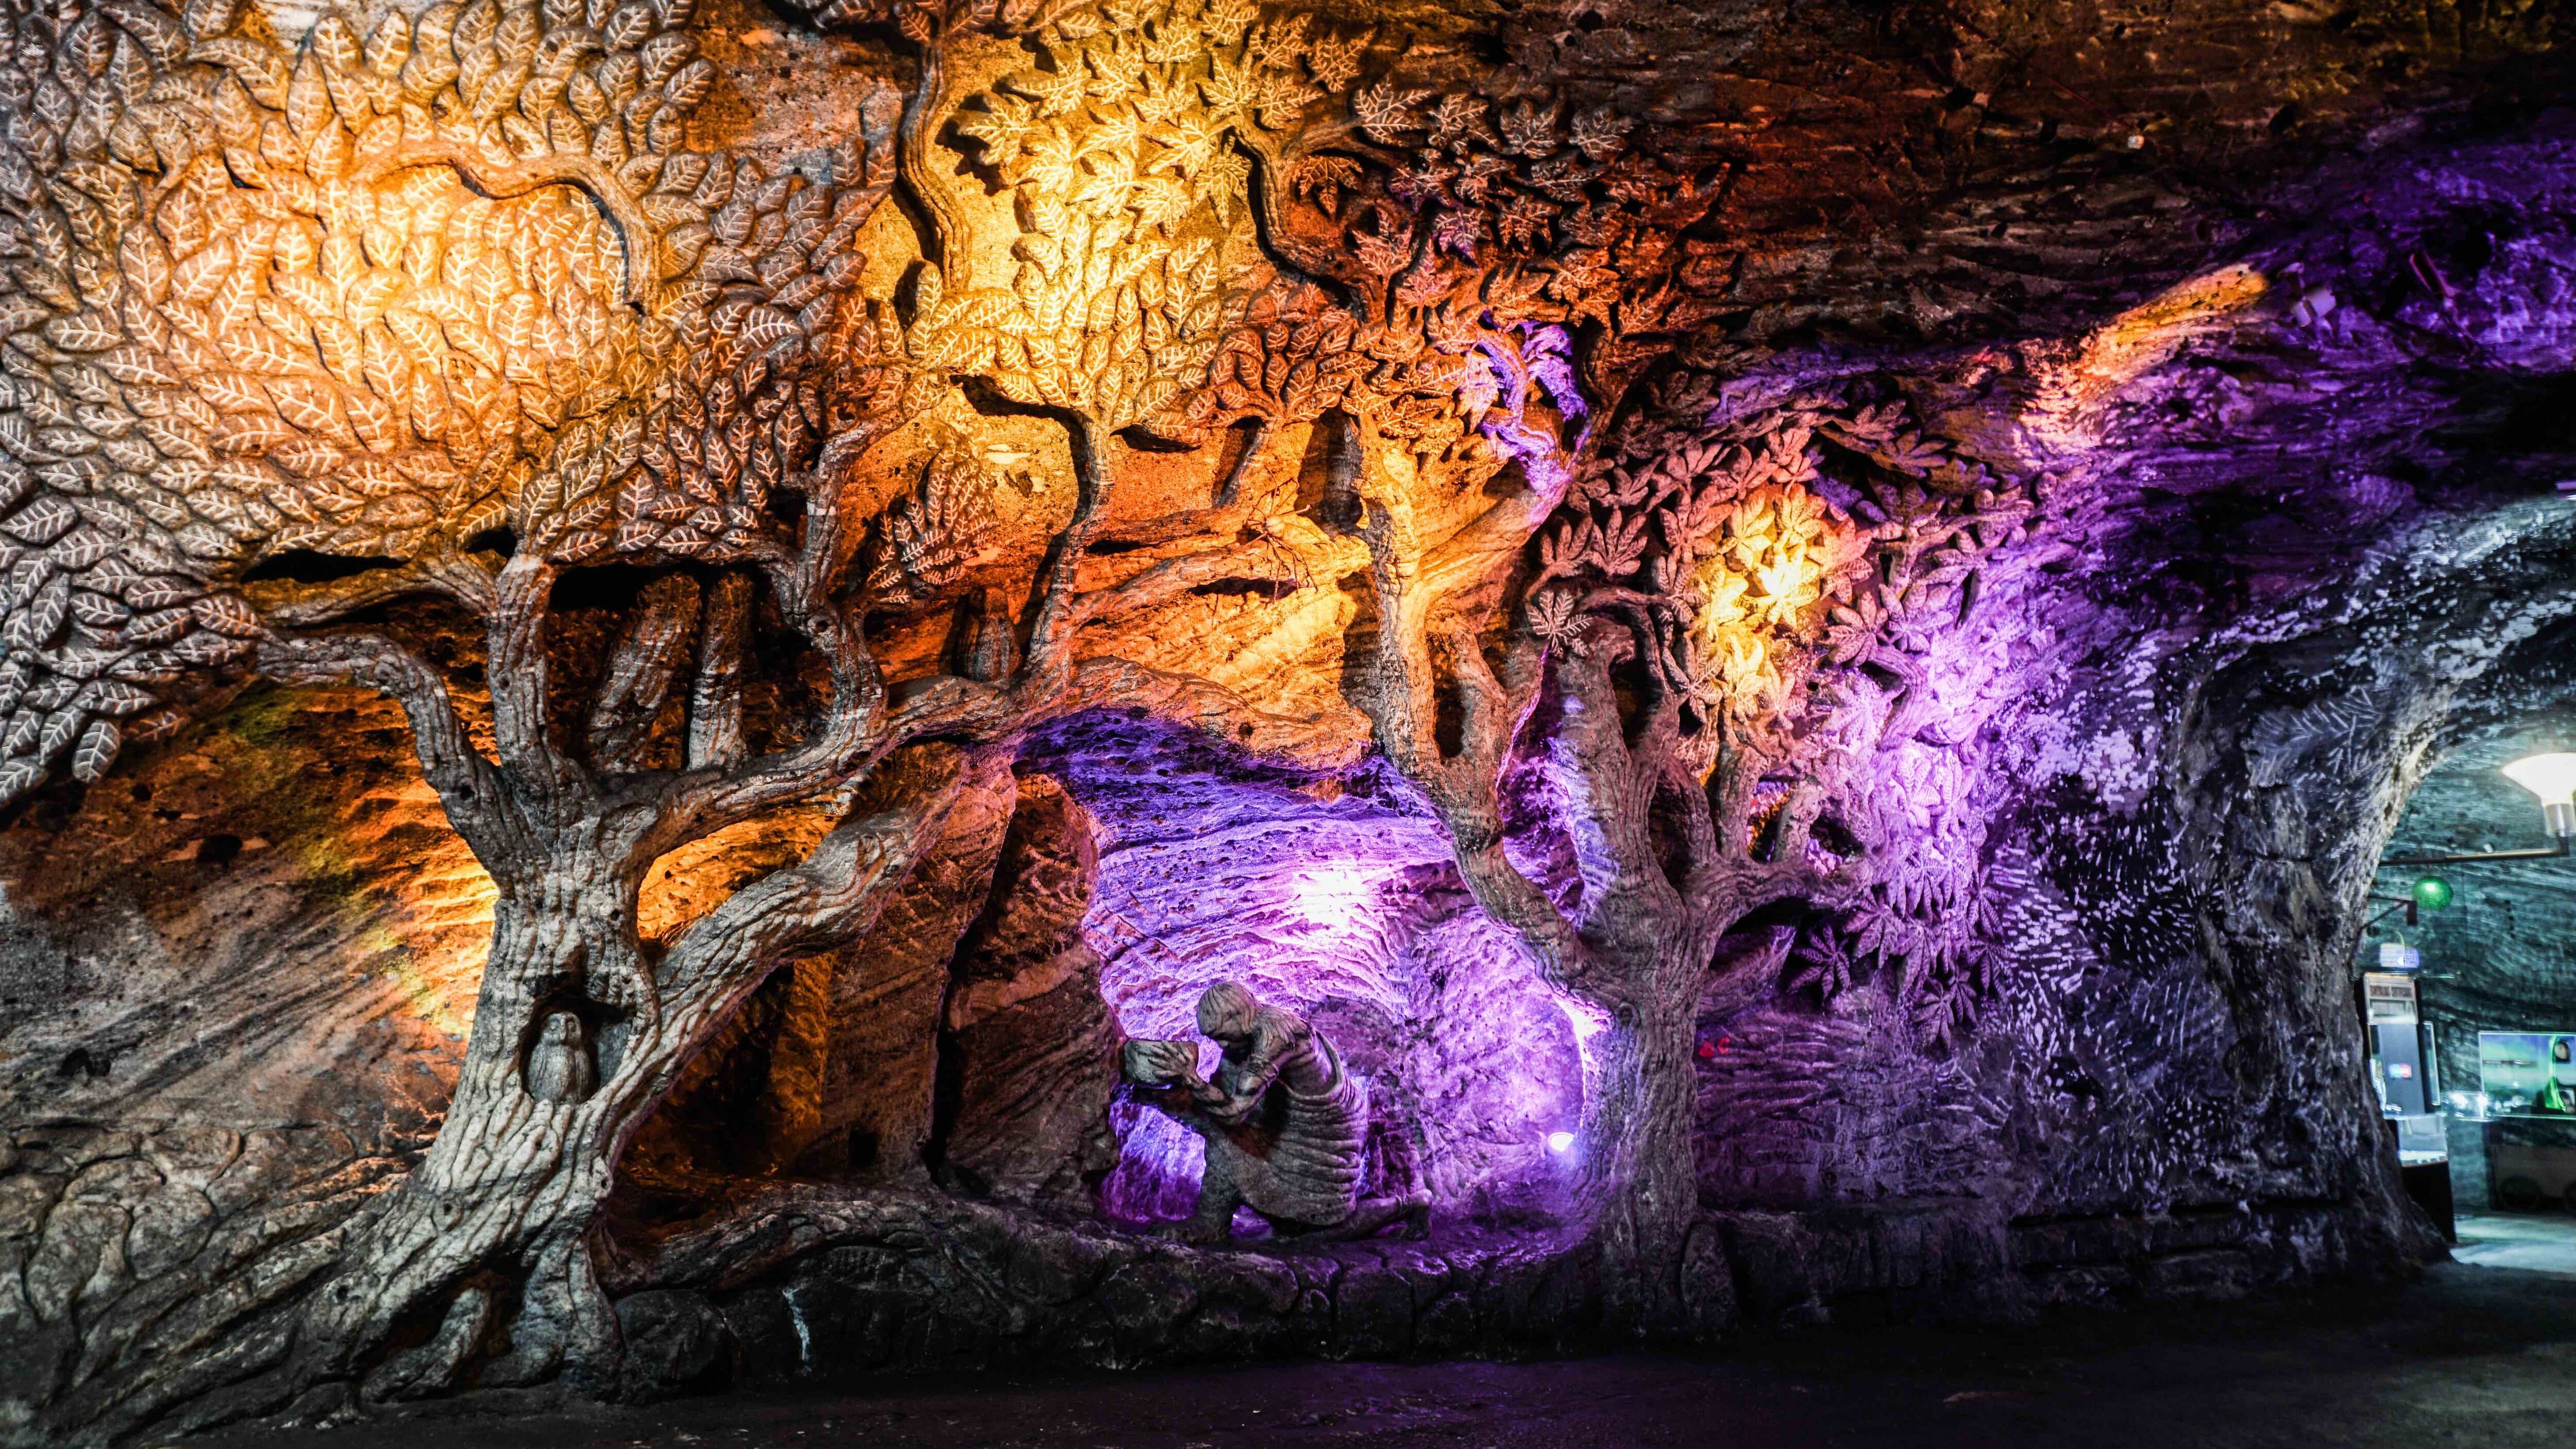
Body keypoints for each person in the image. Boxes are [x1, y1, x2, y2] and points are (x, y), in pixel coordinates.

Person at [1124, 980, 1429, 1244]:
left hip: (1323, 1138)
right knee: (1295, 1229)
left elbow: (1233, 1113)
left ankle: (1210, 1224)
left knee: (1313, 1225)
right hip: (1294, 1127)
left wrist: (1190, 1078)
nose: (1219, 1045)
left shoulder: (1276, 1035)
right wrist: (1154, 1090)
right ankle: (1412, 1203)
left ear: (1237, 1015)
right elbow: (1216, 1098)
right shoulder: (1245, 1036)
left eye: (1221, 1035)